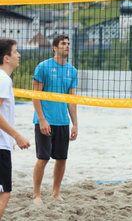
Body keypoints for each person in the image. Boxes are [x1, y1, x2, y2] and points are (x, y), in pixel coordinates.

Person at [32, 35, 78, 205]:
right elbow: (35, 97)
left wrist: (75, 124)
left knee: (61, 158)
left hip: (62, 122)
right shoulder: (43, 67)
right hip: (45, 121)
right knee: (43, 158)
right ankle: (36, 194)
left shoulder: (72, 70)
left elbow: (72, 101)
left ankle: (55, 192)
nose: (67, 46)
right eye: (63, 44)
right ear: (54, 47)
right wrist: (42, 120)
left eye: (68, 44)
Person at [0, 38, 31, 218]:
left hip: (3, 143)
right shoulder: (3, 80)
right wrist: (16, 136)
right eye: (15, 51)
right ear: (6, 58)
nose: (19, 55)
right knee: (4, 193)